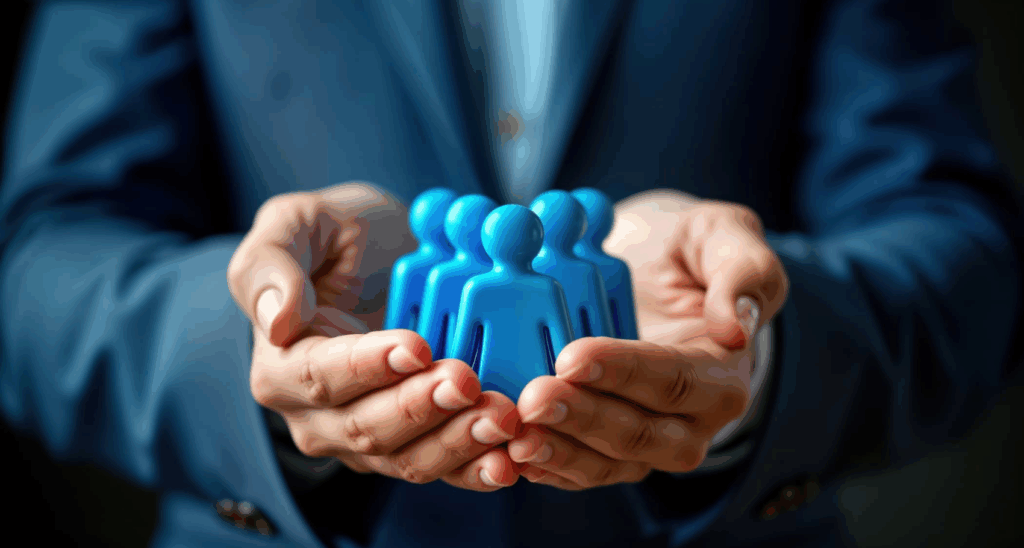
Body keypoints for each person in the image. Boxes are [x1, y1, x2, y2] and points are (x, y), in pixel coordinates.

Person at [0, 0, 1020, 547]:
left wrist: (757, 341)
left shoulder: (497, 284)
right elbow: (41, 267)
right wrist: (268, 349)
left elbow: (960, 251)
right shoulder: (466, 287)